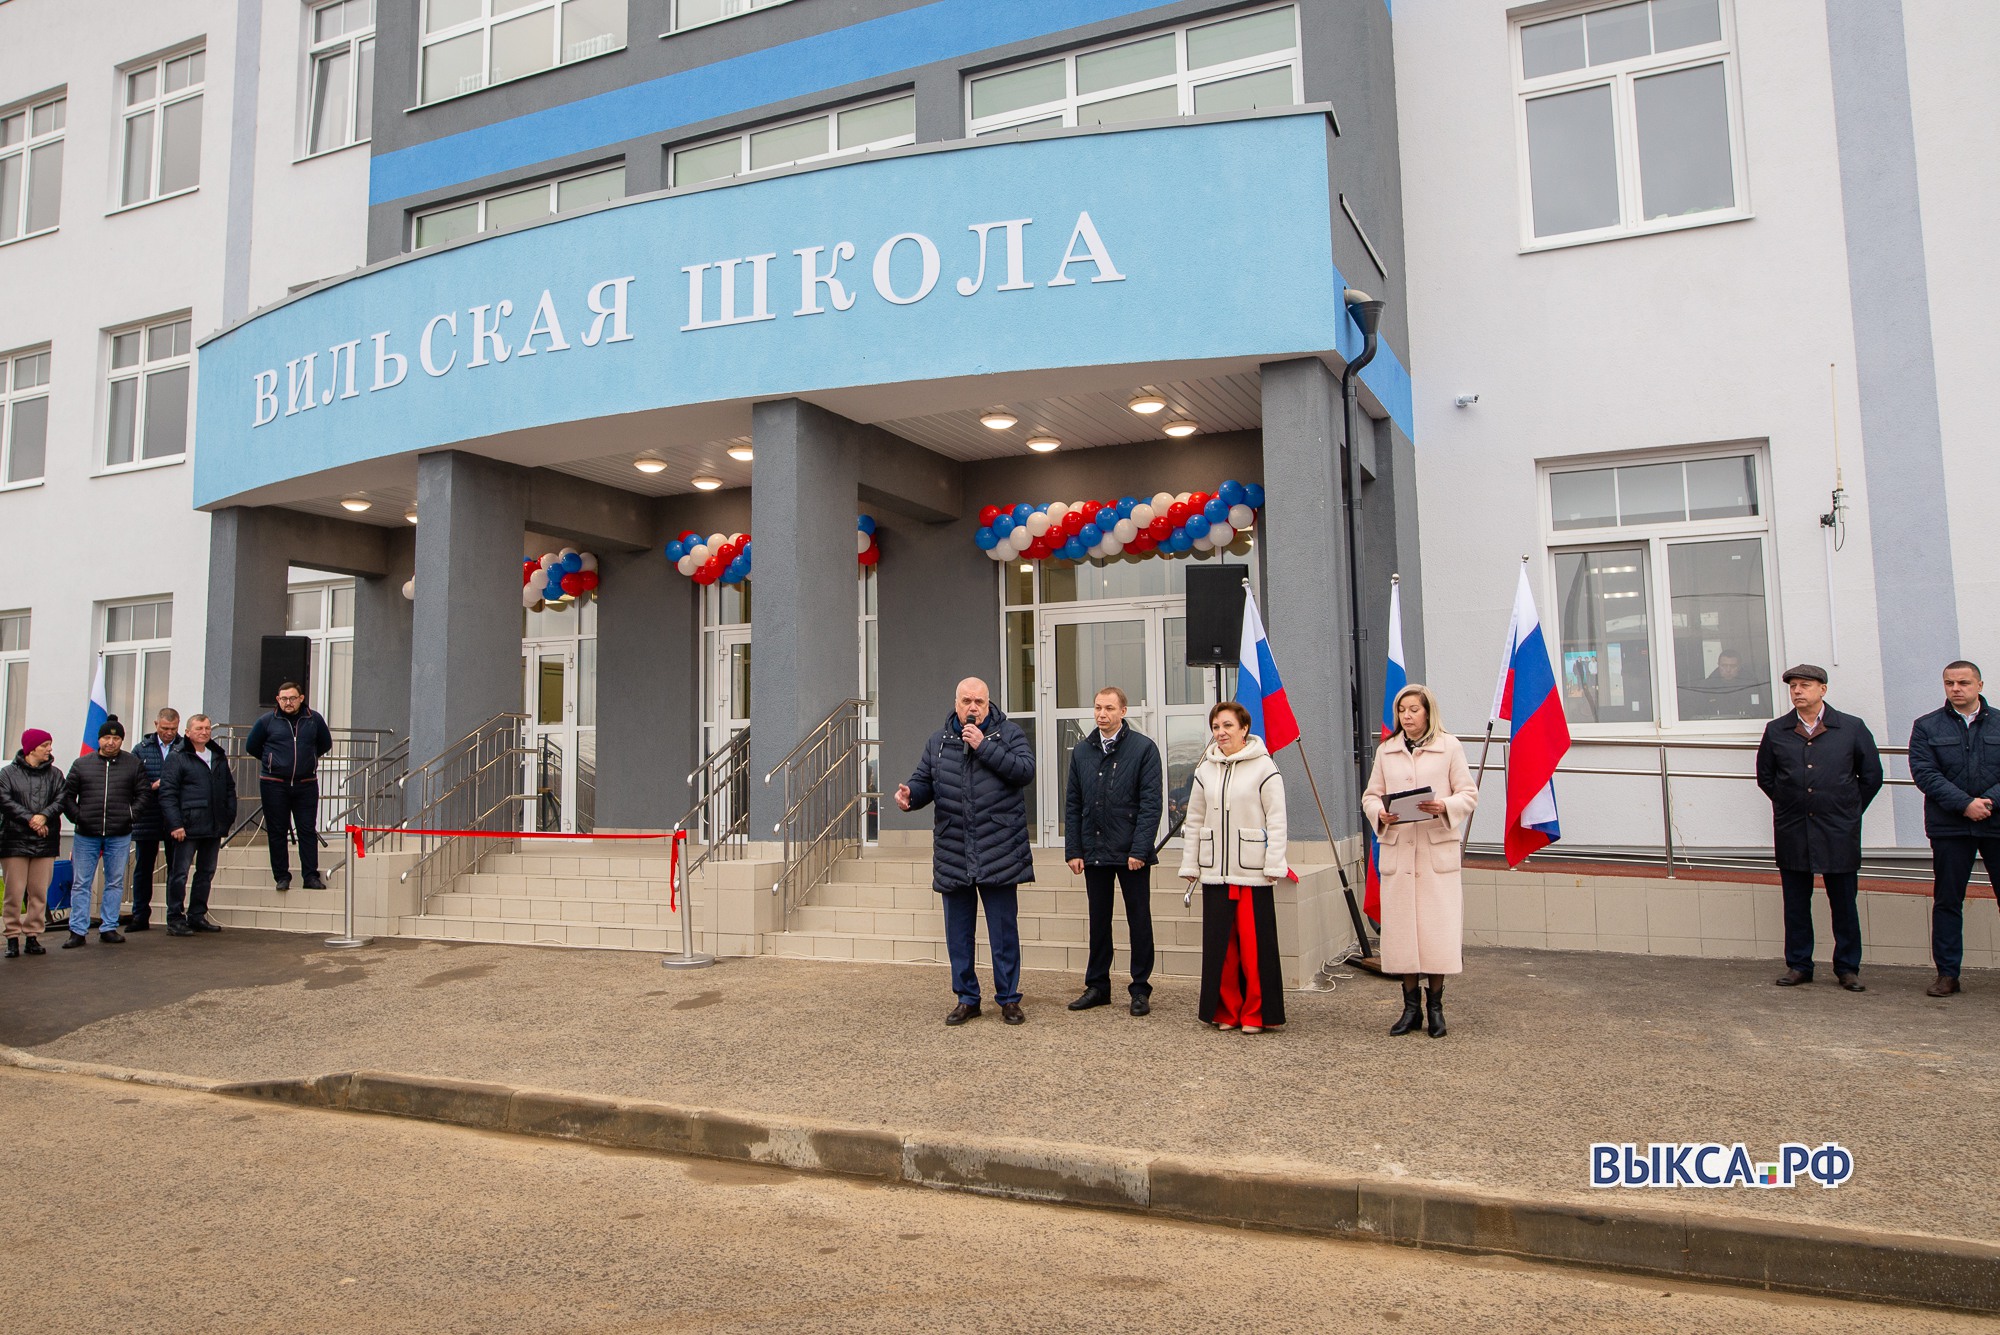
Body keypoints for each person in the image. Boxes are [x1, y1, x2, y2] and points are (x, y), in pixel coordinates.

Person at [895, 677, 1036, 1026]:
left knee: (1003, 932)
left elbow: (1025, 771)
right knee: (958, 934)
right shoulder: (938, 741)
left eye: (979, 702)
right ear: (955, 703)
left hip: (999, 848)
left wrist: (984, 746)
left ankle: (1008, 999)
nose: (973, 708)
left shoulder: (1009, 735)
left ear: (989, 704)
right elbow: (925, 781)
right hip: (954, 848)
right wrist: (910, 796)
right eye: (966, 701)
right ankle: (967, 998)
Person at [1755, 664, 1883, 991]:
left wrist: (1847, 810)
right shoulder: (1776, 730)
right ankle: (1799, 965)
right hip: (1794, 828)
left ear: (1822, 690)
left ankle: (1847, 968)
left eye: (1805, 686)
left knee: (1843, 902)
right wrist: (1790, 803)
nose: (1798, 691)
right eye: (1793, 686)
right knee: (1796, 903)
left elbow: (1871, 777)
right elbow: (1766, 777)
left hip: (1838, 829)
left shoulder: (1851, 728)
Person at [1362, 684, 1479, 1038]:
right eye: (1402, 711)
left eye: (1414, 710)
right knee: (1403, 935)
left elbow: (1469, 794)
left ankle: (1436, 1008)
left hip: (1434, 852)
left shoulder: (1449, 746)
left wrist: (1444, 806)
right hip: (1399, 851)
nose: (1407, 716)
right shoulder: (1387, 751)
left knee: (1436, 934)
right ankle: (1410, 1007)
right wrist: (1381, 813)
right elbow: (1370, 796)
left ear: (1428, 712)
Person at [1179, 701, 1289, 1034]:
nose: (1221, 733)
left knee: (1254, 947)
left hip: (1251, 871)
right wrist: (1190, 863)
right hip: (1215, 871)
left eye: (1227, 726)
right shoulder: (1205, 770)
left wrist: (1274, 862)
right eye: (1215, 727)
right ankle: (1226, 1010)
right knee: (1221, 948)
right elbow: (1194, 819)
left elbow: (1278, 819)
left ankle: (1256, 1013)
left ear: (1244, 729)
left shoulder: (1264, 767)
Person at [1064, 686, 1163, 1016]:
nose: (1101, 714)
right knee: (1098, 920)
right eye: (1097, 708)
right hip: (1093, 851)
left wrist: (1140, 848)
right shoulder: (1081, 752)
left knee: (1139, 920)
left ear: (1123, 711)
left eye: (1108, 708)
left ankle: (1139, 989)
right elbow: (1074, 803)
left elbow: (1151, 805)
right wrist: (1073, 849)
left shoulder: (1143, 749)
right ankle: (1097, 986)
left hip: (1131, 854)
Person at [1907, 660, 2000, 997]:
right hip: (1949, 826)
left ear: (1979, 685)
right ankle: (1947, 974)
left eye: (1963, 682)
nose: (1956, 688)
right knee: (1948, 901)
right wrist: (1965, 804)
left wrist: (1986, 803)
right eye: (1949, 683)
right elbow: (1925, 774)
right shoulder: (1927, 726)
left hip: (1996, 823)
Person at [61, 715, 153, 947]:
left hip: (119, 834)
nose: (110, 742)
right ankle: (78, 930)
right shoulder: (82, 764)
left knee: (114, 882)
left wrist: (130, 816)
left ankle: (109, 927)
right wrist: (78, 817)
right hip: (86, 834)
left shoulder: (133, 764)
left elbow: (144, 794)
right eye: (106, 737)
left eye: (116, 738)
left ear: (122, 740)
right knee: (81, 882)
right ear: (99, 739)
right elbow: (67, 796)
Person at [246, 680, 332, 891]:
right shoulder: (267, 721)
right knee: (277, 831)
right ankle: (282, 877)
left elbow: (325, 743)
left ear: (301, 699)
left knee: (307, 830)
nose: (288, 702)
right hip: (274, 784)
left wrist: (307, 760)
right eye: (284, 698)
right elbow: (252, 746)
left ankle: (310, 876)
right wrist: (273, 762)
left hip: (306, 784)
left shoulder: (314, 720)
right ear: (278, 700)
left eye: (292, 698)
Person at [159, 714, 237, 936]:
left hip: (213, 826)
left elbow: (229, 789)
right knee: (179, 873)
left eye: (207, 728)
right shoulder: (177, 756)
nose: (204, 732)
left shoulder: (218, 756)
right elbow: (167, 793)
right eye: (199, 728)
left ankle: (197, 915)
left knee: (206, 872)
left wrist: (228, 816)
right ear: (187, 732)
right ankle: (175, 918)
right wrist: (175, 824)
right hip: (187, 827)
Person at [0, 728, 63, 957]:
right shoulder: (7, 774)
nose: (49, 749)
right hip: (14, 841)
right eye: (45, 745)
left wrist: (44, 815)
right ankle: (12, 937)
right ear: (31, 748)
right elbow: (4, 800)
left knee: (39, 892)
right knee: (14, 892)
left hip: (44, 842)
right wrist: (31, 819)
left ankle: (33, 935)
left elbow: (61, 799)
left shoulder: (55, 774)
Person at [128, 707, 182, 931]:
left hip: (175, 816)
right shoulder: (141, 749)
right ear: (155, 725)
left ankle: (175, 915)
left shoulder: (184, 747)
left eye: (173, 729)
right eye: (165, 728)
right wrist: (152, 786)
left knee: (176, 868)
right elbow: (132, 782)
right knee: (143, 868)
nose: (169, 733)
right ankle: (140, 915)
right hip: (148, 815)